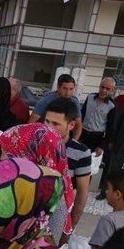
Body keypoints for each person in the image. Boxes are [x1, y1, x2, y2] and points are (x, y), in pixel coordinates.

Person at [0, 123, 75, 241]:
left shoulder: (56, 205)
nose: (2, 159)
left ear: (31, 159)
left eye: (9, 155)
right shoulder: (13, 185)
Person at [44, 98, 92, 232]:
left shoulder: (81, 153)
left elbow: (82, 191)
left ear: (71, 125)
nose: (49, 127)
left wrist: (71, 226)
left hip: (57, 217)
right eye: (47, 121)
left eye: (55, 123)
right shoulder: (35, 143)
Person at [29, 74, 83, 141]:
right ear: (58, 87)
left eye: (71, 89)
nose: (68, 93)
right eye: (65, 88)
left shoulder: (74, 102)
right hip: (44, 138)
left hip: (64, 140)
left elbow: (78, 126)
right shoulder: (46, 100)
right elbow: (31, 123)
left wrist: (73, 142)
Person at [80, 77, 116, 155]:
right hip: (82, 134)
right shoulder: (90, 97)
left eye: (107, 89)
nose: (104, 90)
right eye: (102, 87)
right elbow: (81, 116)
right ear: (99, 86)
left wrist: (101, 146)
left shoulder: (111, 106)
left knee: (88, 162)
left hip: (96, 138)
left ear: (112, 90)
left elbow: (110, 129)